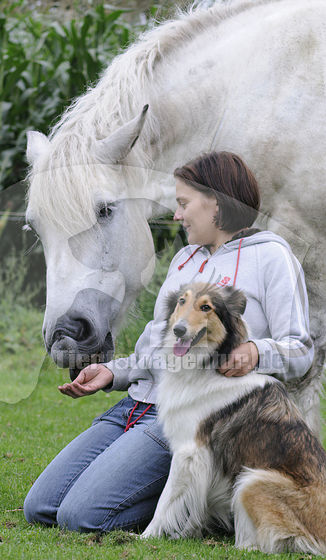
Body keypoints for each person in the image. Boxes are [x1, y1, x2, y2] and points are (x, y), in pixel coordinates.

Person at [23, 151, 314, 532]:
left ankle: (190, 506)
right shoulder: (183, 260)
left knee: (81, 517)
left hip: (184, 416)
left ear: (216, 203)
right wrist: (110, 373)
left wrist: (256, 351)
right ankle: (182, 499)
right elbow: (157, 345)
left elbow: (301, 350)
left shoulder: (272, 256)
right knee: (40, 507)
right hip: (136, 404)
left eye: (183, 203)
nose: (177, 215)